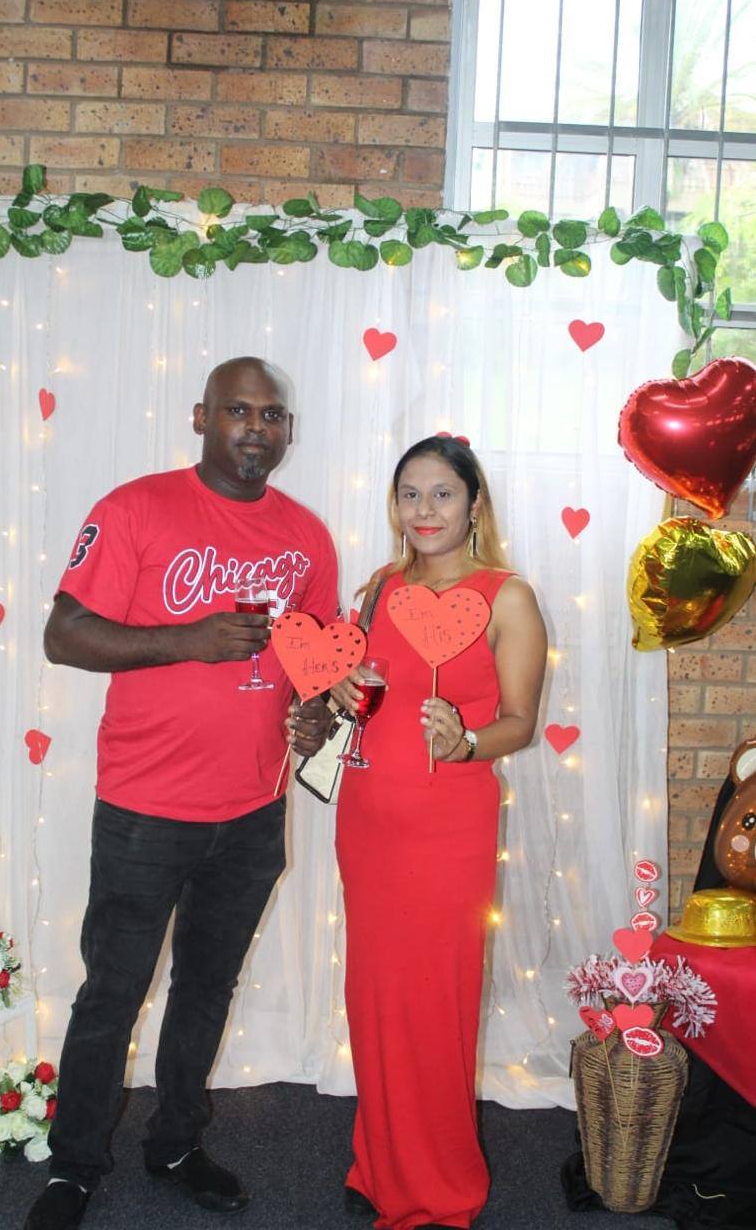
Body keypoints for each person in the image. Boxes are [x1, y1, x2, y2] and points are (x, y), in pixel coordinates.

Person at [25, 357, 339, 1230]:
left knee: (207, 988)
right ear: (201, 417)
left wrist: (314, 713)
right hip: (143, 808)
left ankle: (174, 1143)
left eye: (271, 416)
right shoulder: (134, 508)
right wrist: (186, 639)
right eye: (238, 411)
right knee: (112, 993)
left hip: (252, 811)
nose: (255, 429)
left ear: (287, 431)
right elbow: (63, 636)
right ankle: (73, 1168)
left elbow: (313, 660)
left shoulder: (306, 536)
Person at [332, 434, 547, 1230]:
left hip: (446, 831)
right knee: (375, 999)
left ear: (472, 503)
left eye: (442, 494)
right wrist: (339, 689)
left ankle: (439, 1188)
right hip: (367, 823)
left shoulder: (506, 596)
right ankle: (379, 1163)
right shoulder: (379, 589)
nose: (423, 510)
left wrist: (466, 741)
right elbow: (362, 703)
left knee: (433, 1005)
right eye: (409, 494)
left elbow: (519, 723)